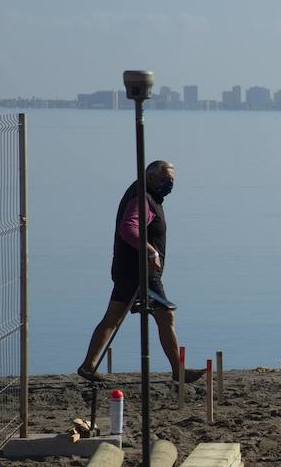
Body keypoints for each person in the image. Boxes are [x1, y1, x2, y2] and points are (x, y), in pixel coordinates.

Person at [77, 159, 202, 383]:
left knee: (113, 318)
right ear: (151, 177)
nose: (170, 184)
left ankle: (88, 366)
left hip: (130, 270)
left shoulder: (146, 195)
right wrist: (151, 252)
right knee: (165, 315)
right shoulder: (142, 199)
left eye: (172, 180)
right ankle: (179, 371)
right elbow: (128, 229)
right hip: (140, 272)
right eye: (166, 179)